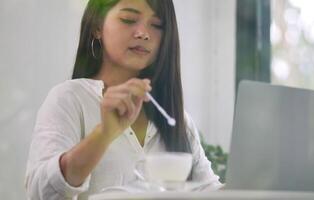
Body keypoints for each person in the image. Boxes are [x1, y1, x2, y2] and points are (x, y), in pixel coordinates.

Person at [25, 0, 222, 199]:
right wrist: (103, 135)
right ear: (97, 27)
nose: (143, 33)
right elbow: (42, 193)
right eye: (128, 20)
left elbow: (213, 192)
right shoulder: (70, 99)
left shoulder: (177, 120)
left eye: (156, 25)